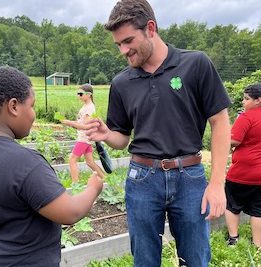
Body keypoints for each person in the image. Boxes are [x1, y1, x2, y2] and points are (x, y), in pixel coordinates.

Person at [81, 0, 232, 266]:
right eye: (118, 44)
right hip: (142, 179)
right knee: (145, 260)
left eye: (128, 41)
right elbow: (122, 139)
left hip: (190, 177)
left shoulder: (195, 64)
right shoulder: (121, 83)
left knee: (196, 259)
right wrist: (106, 134)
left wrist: (217, 184)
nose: (123, 51)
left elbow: (220, 122)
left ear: (150, 28)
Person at [0, 66, 103, 266]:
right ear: (14, 106)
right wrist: (93, 187)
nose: (33, 115)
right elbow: (70, 212)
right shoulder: (26, 162)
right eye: (31, 106)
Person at [225, 83, 261, 247]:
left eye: (247, 99)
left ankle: (233, 239)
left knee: (232, 205)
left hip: (242, 172)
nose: (243, 103)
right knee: (258, 210)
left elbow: (233, 140)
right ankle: (258, 244)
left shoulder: (246, 117)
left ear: (258, 100)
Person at [61, 84, 105, 182]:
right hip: (85, 138)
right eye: (78, 94)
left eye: (80, 94)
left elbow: (85, 127)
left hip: (84, 138)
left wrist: (69, 123)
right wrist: (69, 122)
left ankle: (75, 184)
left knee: (72, 160)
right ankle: (105, 178)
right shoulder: (85, 106)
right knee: (90, 162)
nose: (78, 96)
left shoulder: (89, 108)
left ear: (89, 95)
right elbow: (81, 123)